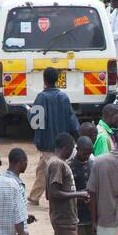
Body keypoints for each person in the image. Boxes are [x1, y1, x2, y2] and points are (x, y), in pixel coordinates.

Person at [28, 67, 78, 206]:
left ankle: (53, 196)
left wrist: (29, 111)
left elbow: (34, 121)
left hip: (46, 142)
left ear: (44, 79)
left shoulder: (41, 97)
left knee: (50, 169)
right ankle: (34, 196)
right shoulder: (63, 97)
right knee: (42, 168)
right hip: (61, 143)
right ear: (58, 80)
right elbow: (71, 119)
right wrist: (77, 134)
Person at [70, 132, 97, 235]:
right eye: (84, 152)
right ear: (77, 148)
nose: (87, 156)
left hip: (91, 217)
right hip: (77, 218)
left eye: (89, 153)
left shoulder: (93, 165)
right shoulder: (69, 167)